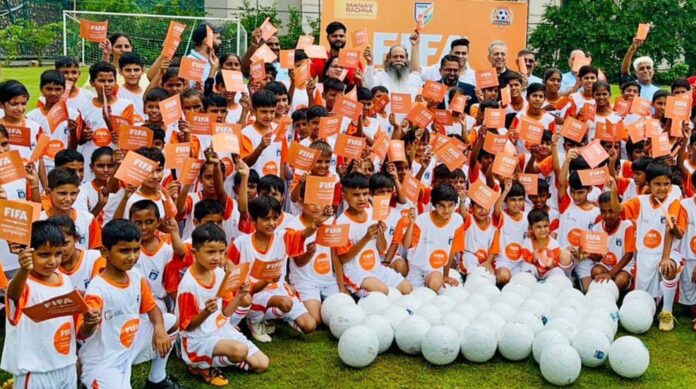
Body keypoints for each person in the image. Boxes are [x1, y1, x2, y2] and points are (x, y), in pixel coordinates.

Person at [78, 219, 182, 388]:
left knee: (169, 321)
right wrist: (89, 323)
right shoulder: (98, 289)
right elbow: (82, 334)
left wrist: (160, 330)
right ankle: (89, 380)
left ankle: (157, 379)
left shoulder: (135, 275)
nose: (132, 257)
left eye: (136, 250)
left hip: (130, 343)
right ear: (105, 252)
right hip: (105, 360)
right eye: (124, 251)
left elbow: (152, 308)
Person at [177, 223, 269, 386]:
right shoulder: (189, 285)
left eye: (221, 252)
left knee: (262, 364)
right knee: (240, 351)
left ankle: (220, 357)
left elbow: (225, 313)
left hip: (221, 329)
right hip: (198, 338)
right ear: (194, 252)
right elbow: (187, 327)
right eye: (210, 252)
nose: (217, 257)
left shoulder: (220, 274)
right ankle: (199, 364)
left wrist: (239, 297)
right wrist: (206, 311)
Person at [1, 221, 78, 389]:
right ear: (27, 253)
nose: (52, 261)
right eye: (44, 255)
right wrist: (23, 270)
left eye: (57, 254)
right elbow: (13, 295)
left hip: (66, 365)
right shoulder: (23, 284)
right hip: (36, 372)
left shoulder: (64, 279)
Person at [335, 172, 413, 295]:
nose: (361, 199)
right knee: (382, 291)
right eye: (356, 195)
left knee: (407, 288)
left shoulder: (373, 213)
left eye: (365, 194)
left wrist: (380, 233)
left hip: (376, 267)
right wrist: (366, 238)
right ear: (344, 196)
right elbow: (344, 258)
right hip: (355, 272)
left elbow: (381, 248)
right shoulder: (341, 222)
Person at [395, 184, 464, 291]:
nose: (446, 210)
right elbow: (406, 245)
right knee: (407, 293)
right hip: (416, 268)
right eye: (442, 205)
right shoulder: (422, 220)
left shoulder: (457, 220)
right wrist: (411, 224)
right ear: (434, 204)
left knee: (434, 283)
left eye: (451, 205)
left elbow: (452, 250)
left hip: (435, 269)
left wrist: (445, 275)